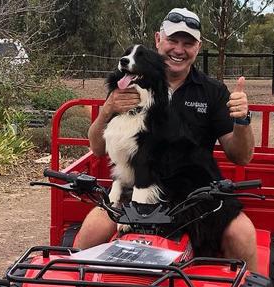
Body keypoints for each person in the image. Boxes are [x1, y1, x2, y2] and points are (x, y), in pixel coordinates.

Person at [75, 7, 258, 272]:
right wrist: (107, 110)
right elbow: (97, 148)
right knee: (91, 230)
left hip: (192, 191)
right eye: (173, 40)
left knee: (242, 234)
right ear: (158, 39)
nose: (179, 50)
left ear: (198, 47)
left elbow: (241, 156)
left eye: (188, 43)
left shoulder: (212, 91)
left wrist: (242, 119)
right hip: (135, 186)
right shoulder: (127, 84)